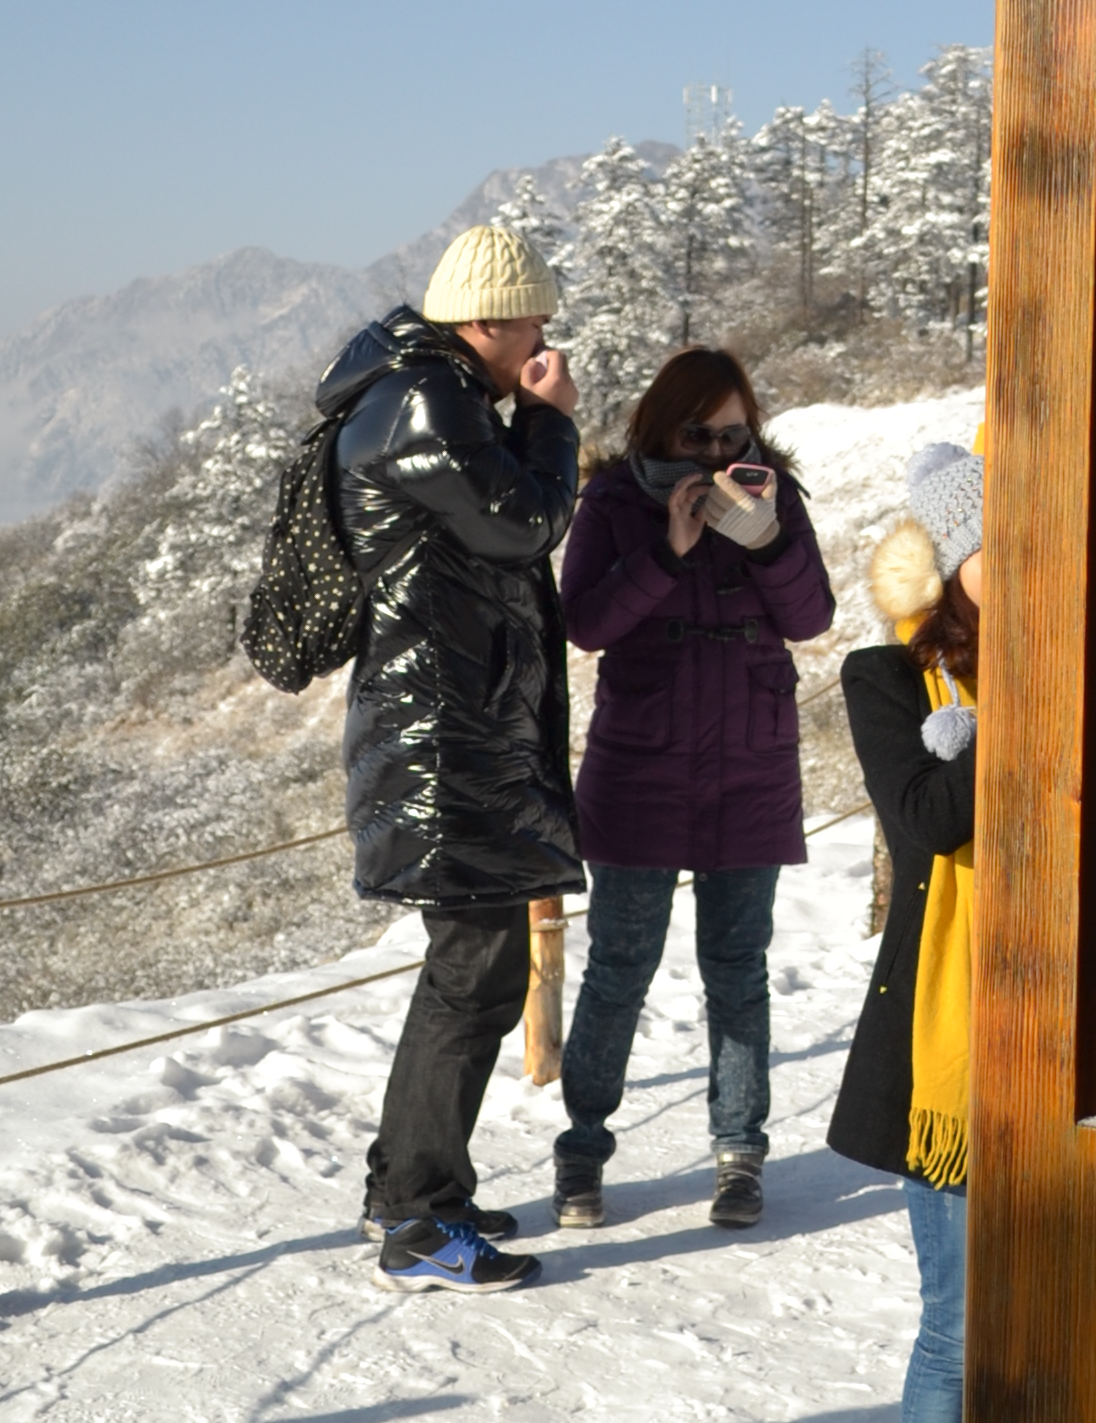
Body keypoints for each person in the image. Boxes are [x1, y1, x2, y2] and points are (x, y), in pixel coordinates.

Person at [322, 221, 582, 1290]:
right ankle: (417, 1222)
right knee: (474, 971)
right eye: (532, 321)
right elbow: (524, 524)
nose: (543, 337)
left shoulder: (434, 394)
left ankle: (417, 1188)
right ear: (485, 319)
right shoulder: (425, 404)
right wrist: (554, 423)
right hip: (444, 738)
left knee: (478, 966)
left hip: (457, 726)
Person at [549, 346, 834, 1235]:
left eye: (733, 431)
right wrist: (669, 554)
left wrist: (770, 542)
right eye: (698, 432)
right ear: (659, 428)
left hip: (751, 763)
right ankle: (582, 1152)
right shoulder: (615, 500)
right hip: (642, 764)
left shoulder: (772, 497)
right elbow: (586, 623)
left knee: (738, 971)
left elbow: (812, 618)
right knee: (619, 970)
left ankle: (738, 1154)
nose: (717, 451)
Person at [832, 438, 983, 1423]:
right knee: (966, 1319)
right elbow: (930, 820)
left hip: (1070, 1040)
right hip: (954, 1055)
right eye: (996, 551)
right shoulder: (889, 681)